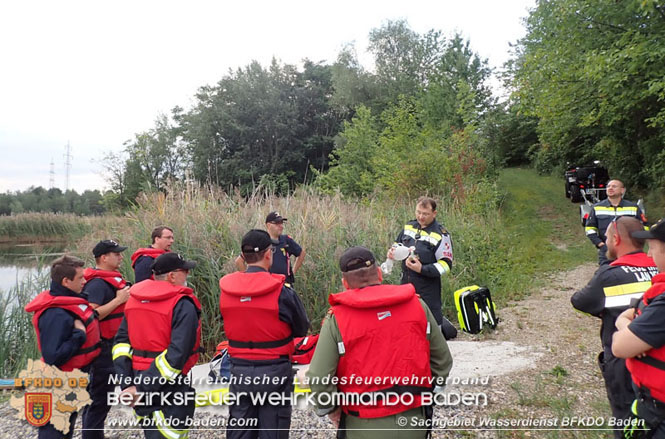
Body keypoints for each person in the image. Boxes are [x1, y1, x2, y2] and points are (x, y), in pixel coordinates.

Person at [307, 246, 453, 438]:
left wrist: (330, 409)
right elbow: (442, 360)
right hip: (413, 421)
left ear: (345, 283)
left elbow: (318, 377)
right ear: (379, 273)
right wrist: (428, 395)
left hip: (362, 424)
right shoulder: (417, 305)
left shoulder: (337, 318)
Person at [571, 217, 657, 437]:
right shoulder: (658, 267)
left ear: (616, 239)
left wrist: (607, 311)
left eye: (608, 237)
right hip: (657, 363)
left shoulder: (610, 274)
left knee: (626, 420)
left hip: (623, 361)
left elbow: (580, 301)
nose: (606, 242)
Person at [220, 229, 310, 439]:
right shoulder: (282, 290)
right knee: (273, 429)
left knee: (240, 429)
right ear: (269, 254)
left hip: (239, 370)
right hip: (275, 372)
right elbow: (301, 328)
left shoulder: (227, 289)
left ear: (243, 256)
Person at [112, 252, 200, 439]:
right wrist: (141, 387)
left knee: (151, 429)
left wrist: (128, 383)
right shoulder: (182, 304)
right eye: (184, 271)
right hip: (170, 383)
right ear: (172, 276)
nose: (188, 275)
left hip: (138, 379)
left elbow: (120, 344)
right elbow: (178, 353)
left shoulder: (134, 300)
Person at [25, 255, 101, 439]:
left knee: (66, 428)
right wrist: (79, 336)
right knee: (55, 432)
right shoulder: (56, 313)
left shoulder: (69, 302)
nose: (85, 281)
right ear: (66, 281)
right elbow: (53, 356)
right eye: (80, 278)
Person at [612, 218, 665, 437]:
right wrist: (630, 328)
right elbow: (625, 316)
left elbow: (619, 347)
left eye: (653, 248)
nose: (650, 255)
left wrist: (627, 333)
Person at [80, 240, 131, 439]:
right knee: (99, 400)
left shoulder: (111, 279)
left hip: (115, 346)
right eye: (116, 254)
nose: (120, 257)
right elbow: (91, 315)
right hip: (103, 350)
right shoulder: (97, 284)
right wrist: (119, 300)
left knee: (103, 399)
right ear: (103, 258)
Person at [387, 196, 457, 339]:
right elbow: (397, 244)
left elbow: (446, 265)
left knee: (431, 325)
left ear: (434, 214)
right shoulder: (409, 227)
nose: (421, 217)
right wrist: (392, 253)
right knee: (405, 322)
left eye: (425, 214)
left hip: (428, 287)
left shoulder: (441, 234)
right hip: (406, 284)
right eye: (418, 212)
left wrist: (422, 269)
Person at [234, 212, 306, 287]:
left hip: (285, 285)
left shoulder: (286, 240)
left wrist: (292, 272)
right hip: (267, 286)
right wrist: (249, 279)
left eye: (281, 223)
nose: (281, 226)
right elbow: (239, 261)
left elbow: (301, 253)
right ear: (268, 225)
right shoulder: (261, 241)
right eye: (277, 223)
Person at [585, 179, 648, 265]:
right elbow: (589, 229)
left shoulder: (633, 207)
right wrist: (600, 244)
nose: (610, 188)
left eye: (614, 186)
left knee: (628, 276)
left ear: (622, 190)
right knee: (607, 275)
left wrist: (636, 245)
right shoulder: (597, 207)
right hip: (607, 251)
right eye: (608, 186)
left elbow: (644, 227)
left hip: (629, 251)